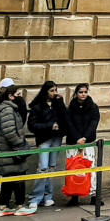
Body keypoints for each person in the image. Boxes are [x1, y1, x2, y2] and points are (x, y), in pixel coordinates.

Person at [0, 78, 28, 205]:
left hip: (9, 143)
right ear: (2, 90)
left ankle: (7, 203)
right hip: (0, 142)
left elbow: (22, 119)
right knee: (1, 173)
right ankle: (2, 201)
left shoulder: (17, 103)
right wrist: (0, 132)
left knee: (13, 173)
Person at [0, 83, 35, 216]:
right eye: (17, 95)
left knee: (9, 178)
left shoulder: (8, 109)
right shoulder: (7, 110)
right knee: (18, 177)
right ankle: (19, 205)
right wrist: (21, 146)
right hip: (12, 151)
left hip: (9, 151)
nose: (20, 97)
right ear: (11, 96)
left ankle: (3, 207)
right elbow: (10, 132)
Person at [27, 80, 68, 208]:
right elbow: (32, 125)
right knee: (43, 167)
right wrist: (50, 126)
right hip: (44, 138)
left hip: (56, 138)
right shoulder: (38, 106)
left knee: (51, 167)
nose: (54, 93)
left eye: (56, 90)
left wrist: (61, 103)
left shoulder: (58, 104)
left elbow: (66, 118)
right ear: (46, 91)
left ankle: (48, 196)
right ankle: (36, 197)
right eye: (52, 91)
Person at [64, 82, 101, 206]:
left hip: (88, 141)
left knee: (90, 168)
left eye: (85, 92)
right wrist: (77, 138)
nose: (83, 94)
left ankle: (94, 195)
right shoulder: (71, 107)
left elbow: (94, 122)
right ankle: (74, 196)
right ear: (76, 93)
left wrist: (85, 137)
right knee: (73, 169)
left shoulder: (93, 107)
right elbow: (68, 123)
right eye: (81, 92)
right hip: (73, 142)